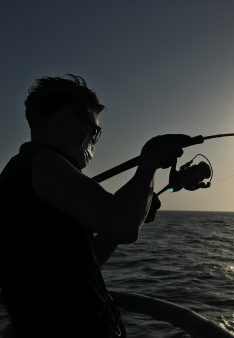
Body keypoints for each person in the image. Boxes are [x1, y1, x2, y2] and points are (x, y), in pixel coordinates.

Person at [0, 74, 193, 337]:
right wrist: (149, 161)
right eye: (92, 129)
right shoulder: (43, 163)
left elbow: (83, 260)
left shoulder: (24, 170)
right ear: (64, 121)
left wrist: (134, 209)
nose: (93, 139)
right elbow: (123, 224)